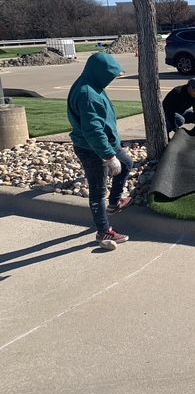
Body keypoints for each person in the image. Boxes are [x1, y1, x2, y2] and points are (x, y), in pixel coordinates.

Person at [67, 52, 133, 250]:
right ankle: (103, 230)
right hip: (92, 148)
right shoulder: (87, 93)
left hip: (105, 144)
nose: (112, 79)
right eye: (110, 75)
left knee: (127, 163)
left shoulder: (93, 84)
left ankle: (114, 203)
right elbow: (93, 130)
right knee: (97, 190)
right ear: (99, 72)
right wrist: (109, 156)